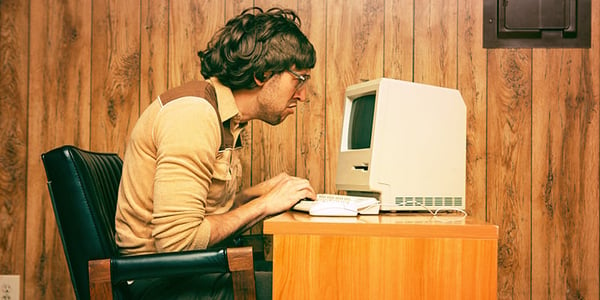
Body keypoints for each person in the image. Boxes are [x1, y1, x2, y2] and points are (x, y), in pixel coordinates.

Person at [114, 7, 317, 299]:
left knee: (300, 273)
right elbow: (178, 241)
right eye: (299, 79)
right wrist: (264, 205)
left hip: (180, 271)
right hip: (158, 281)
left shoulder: (225, 118)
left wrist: (254, 195)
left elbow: (202, 213)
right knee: (304, 286)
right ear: (262, 74)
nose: (302, 95)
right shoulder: (193, 115)